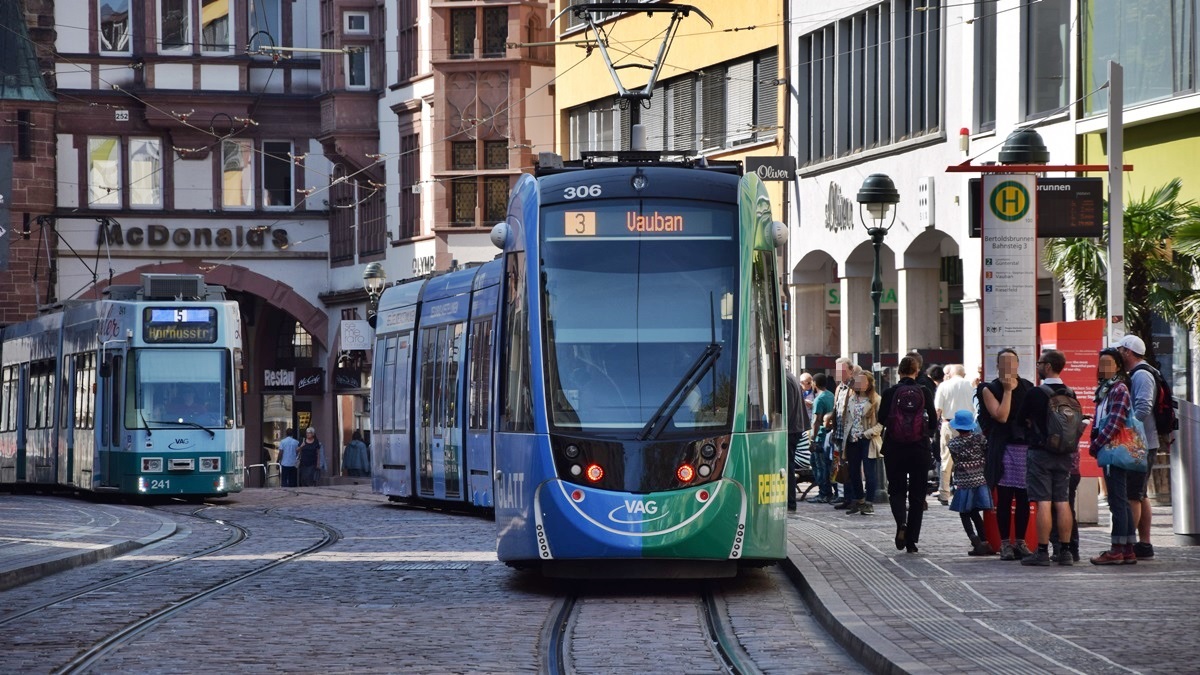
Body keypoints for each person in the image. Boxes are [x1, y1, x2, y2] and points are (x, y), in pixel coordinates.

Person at [1017, 349, 1078, 567]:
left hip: (1041, 452)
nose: (1038, 366)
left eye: (1040, 363)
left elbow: (1019, 418)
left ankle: (1042, 551)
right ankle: (1065, 551)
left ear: (1048, 366)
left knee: (1043, 501)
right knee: (1062, 501)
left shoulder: (1035, 393)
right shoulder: (1070, 392)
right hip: (1065, 452)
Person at [979, 348, 1035, 561]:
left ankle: (1020, 541)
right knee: (1004, 498)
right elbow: (1001, 416)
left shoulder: (1028, 387)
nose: (1008, 368)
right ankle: (1004, 543)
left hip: (1024, 449)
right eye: (1004, 364)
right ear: (997, 366)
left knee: (1023, 498)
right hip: (1003, 449)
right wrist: (1008, 391)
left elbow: (1032, 418)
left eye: (1012, 363)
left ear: (1018, 365)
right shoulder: (989, 389)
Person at [879, 355, 938, 553]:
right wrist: (925, 434)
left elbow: (881, 418)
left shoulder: (890, 392)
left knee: (896, 491)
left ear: (899, 371)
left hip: (894, 448)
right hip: (919, 449)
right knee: (917, 494)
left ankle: (901, 524)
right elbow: (933, 421)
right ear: (917, 371)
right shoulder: (924, 391)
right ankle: (912, 541)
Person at [1088, 347, 1139, 565]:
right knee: (1120, 500)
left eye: (1109, 363)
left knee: (1117, 501)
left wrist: (1097, 443)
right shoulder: (1105, 389)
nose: (1104, 367)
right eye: (1102, 363)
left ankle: (1117, 550)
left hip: (1114, 449)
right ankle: (1127, 549)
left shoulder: (1119, 389)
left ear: (1118, 366)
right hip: (1109, 448)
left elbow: (1115, 421)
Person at [1117, 334, 1158, 560]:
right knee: (1140, 494)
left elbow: (1143, 407)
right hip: (1144, 442)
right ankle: (1144, 544)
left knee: (1133, 494)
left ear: (1128, 352)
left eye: (1121, 350)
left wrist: (1128, 430)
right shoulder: (1142, 372)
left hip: (1140, 443)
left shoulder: (1142, 375)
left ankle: (1128, 546)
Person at [946, 409, 993, 556]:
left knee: (964, 513)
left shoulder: (953, 444)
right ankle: (984, 541)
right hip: (980, 480)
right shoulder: (980, 439)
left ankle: (974, 539)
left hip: (964, 483)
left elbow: (955, 460)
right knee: (975, 512)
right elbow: (987, 452)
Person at [840, 371, 883, 515]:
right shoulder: (852, 398)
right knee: (853, 472)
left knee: (870, 473)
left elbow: (881, 423)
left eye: (865, 382)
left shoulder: (876, 399)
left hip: (868, 440)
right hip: (852, 440)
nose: (862, 385)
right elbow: (846, 420)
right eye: (859, 381)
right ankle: (859, 500)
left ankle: (869, 502)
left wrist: (867, 433)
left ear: (870, 383)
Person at [934, 365, 977, 505]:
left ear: (950, 374)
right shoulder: (970, 386)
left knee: (946, 460)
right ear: (963, 374)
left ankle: (944, 494)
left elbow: (938, 409)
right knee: (965, 461)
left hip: (948, 424)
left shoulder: (943, 386)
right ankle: (963, 492)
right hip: (967, 426)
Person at [829, 357, 858, 510]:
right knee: (842, 466)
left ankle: (855, 498)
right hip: (839, 433)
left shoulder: (854, 387)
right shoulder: (839, 388)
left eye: (842, 370)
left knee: (851, 466)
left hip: (850, 434)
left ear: (850, 371)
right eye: (837, 369)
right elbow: (836, 409)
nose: (839, 373)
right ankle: (847, 498)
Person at [785, 370, 811, 511]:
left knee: (787, 465)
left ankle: (790, 502)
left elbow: (787, 408)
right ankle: (790, 501)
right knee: (788, 465)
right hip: (794, 428)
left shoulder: (785, 379)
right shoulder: (790, 377)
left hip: (791, 429)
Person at [807, 373, 835, 503]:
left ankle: (824, 493)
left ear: (814, 383)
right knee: (827, 465)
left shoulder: (819, 399)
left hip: (820, 436)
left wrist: (812, 438)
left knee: (818, 465)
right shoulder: (831, 395)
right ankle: (829, 491)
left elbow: (816, 421)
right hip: (830, 435)